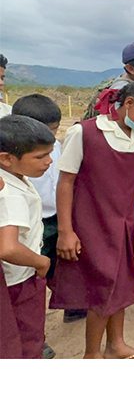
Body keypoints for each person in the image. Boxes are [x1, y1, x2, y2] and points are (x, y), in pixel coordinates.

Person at [50, 82, 134, 359]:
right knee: (104, 287)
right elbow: (65, 182)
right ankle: (92, 355)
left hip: (123, 222)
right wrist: (66, 230)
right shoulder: (85, 132)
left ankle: (116, 343)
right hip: (91, 222)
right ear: (128, 104)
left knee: (121, 282)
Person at [11, 94, 85, 355]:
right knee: (33, 280)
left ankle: (71, 305)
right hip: (29, 224)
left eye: (55, 133)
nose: (53, 144)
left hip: (54, 217)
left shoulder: (52, 148)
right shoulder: (12, 167)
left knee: (62, 265)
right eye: (48, 134)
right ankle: (31, 339)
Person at [0, 115, 55, 358]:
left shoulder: (14, 178)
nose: (49, 161)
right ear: (6, 159)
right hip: (18, 280)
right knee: (26, 339)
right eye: (40, 156)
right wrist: (40, 262)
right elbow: (8, 248)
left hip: (15, 277)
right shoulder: (10, 195)